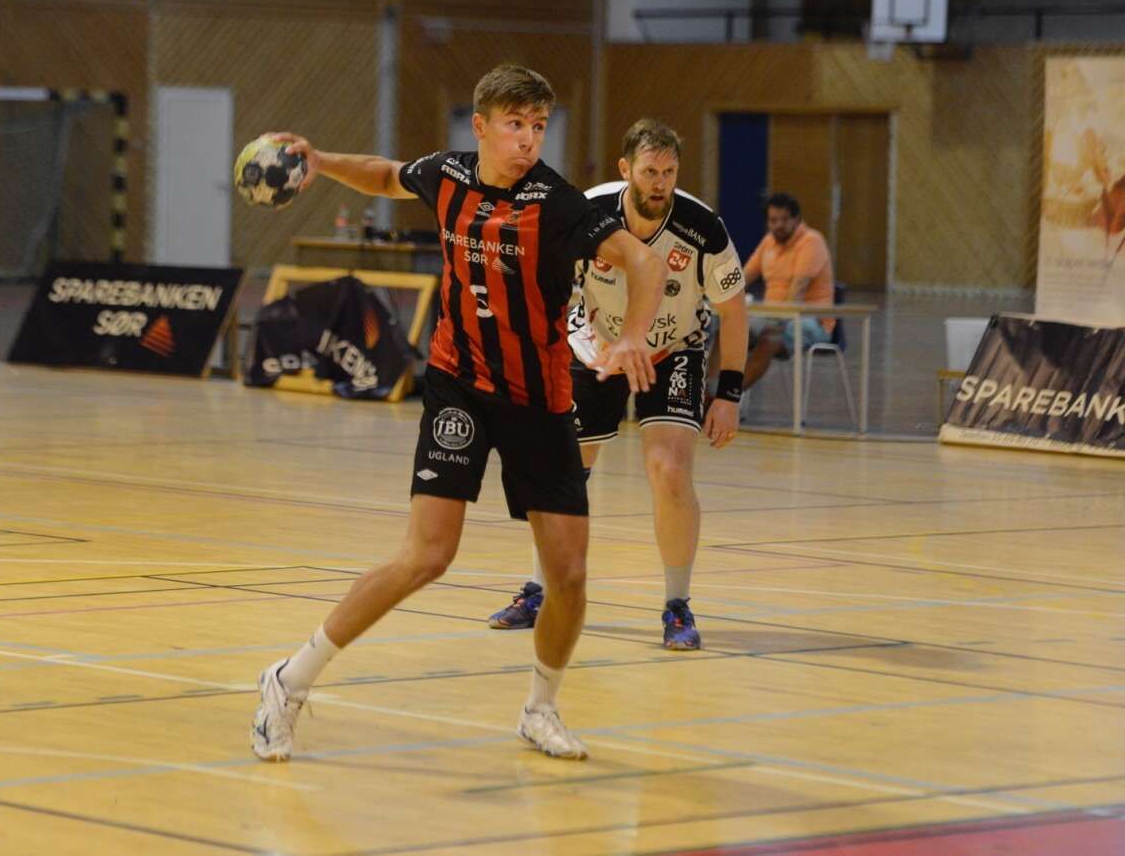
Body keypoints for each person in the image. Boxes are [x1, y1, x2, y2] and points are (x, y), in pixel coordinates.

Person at [250, 65, 664, 763]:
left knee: (568, 574)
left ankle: (540, 709)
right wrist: (321, 162)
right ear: (481, 127)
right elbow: (387, 176)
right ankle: (288, 681)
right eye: (514, 125)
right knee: (428, 556)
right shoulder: (446, 175)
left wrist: (633, 337)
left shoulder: (557, 203)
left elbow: (642, 262)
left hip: (538, 400)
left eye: (538, 127)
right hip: (459, 387)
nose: (528, 140)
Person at [486, 119, 748, 650]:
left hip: (672, 349)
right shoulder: (589, 214)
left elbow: (734, 310)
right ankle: (539, 590)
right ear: (626, 169)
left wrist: (729, 394)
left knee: (669, 471)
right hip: (598, 346)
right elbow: (543, 286)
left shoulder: (702, 228)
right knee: (563, 471)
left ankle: (677, 606)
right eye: (650, 172)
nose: (660, 183)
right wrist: (567, 342)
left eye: (669, 172)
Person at [741, 192, 836, 391]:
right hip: (772, 317)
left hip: (810, 322)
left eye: (784, 219)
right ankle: (709, 392)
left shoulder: (811, 241)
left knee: (770, 337)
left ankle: (727, 397)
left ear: (797, 219)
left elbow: (797, 290)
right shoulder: (768, 242)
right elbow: (743, 277)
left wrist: (773, 321)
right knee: (732, 330)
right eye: (773, 220)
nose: (779, 225)